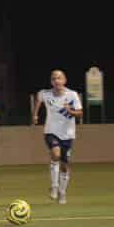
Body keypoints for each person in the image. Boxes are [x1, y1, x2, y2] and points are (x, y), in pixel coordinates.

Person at [33, 70, 83, 204]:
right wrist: (35, 114)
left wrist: (70, 111)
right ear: (51, 81)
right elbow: (38, 100)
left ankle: (62, 192)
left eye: (59, 78)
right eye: (54, 78)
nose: (56, 81)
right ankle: (54, 186)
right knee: (55, 154)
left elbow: (79, 112)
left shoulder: (72, 95)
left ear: (64, 80)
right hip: (51, 131)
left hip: (67, 134)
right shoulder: (45, 93)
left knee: (65, 165)